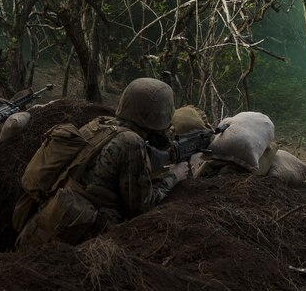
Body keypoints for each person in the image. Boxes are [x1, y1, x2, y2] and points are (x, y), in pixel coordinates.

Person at [16, 78, 189, 250]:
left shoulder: (100, 125)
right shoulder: (131, 142)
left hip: (42, 227)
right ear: (158, 116)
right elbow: (141, 208)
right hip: (75, 242)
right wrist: (174, 175)